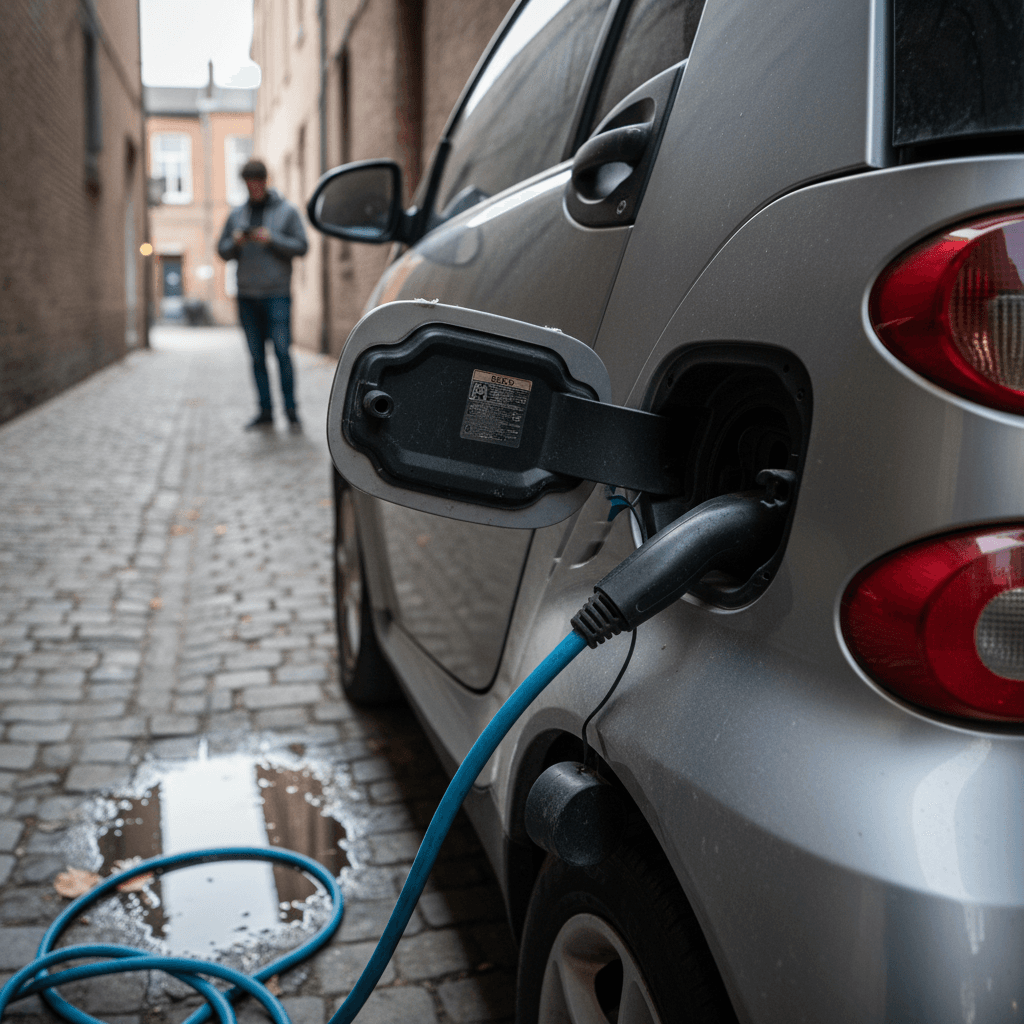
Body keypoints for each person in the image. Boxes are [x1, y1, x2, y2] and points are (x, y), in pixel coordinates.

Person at [217, 159, 309, 429]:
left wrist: (272, 238)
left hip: (277, 294)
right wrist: (234, 241)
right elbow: (221, 251)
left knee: (282, 353)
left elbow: (302, 246)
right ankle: (265, 411)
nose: (253, 186)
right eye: (248, 182)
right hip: (247, 295)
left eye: (258, 181)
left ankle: (291, 411)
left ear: (265, 181)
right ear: (245, 184)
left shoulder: (287, 212)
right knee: (256, 358)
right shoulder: (236, 215)